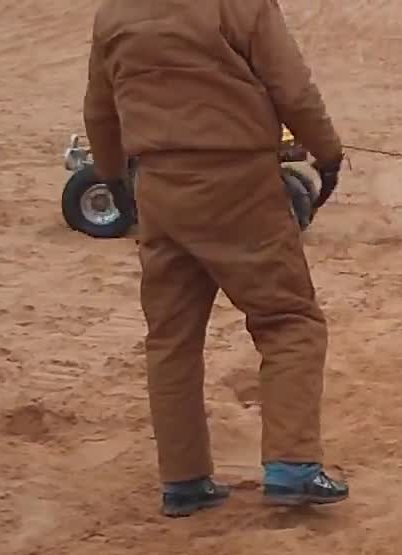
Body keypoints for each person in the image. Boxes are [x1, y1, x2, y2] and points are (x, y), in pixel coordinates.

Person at [81, 0, 348, 517]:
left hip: (158, 187)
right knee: (288, 320)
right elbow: (292, 88)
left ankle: (183, 480)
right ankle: (292, 465)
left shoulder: (113, 12)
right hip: (240, 182)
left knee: (171, 340)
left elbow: (99, 110)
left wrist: (113, 177)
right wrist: (329, 153)